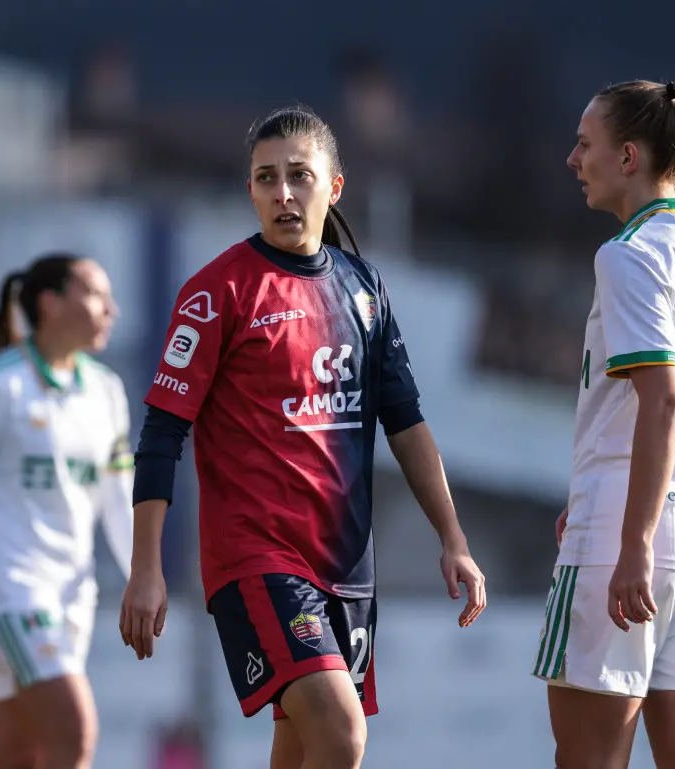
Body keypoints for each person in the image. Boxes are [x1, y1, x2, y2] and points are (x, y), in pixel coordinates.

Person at [119, 105, 487, 769]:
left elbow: (405, 421)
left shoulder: (364, 288)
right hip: (259, 560)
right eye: (265, 178)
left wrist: (453, 537)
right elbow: (161, 434)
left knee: (301, 748)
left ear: (334, 186)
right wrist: (146, 568)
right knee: (343, 735)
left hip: (346, 568)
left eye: (298, 175)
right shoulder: (218, 292)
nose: (282, 192)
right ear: (251, 190)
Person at [535, 77, 675, 769]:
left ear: (628, 157)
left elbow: (663, 399)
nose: (574, 160)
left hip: (629, 537)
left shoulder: (629, 254)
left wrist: (630, 534)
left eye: (584, 144)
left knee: (590, 758)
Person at [0, 253, 135, 769]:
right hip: (9, 588)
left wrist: (142, 577)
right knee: (73, 728)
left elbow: (117, 499)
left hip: (73, 595)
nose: (112, 309)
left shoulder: (106, 390)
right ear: (51, 303)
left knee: (20, 754)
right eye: (95, 294)